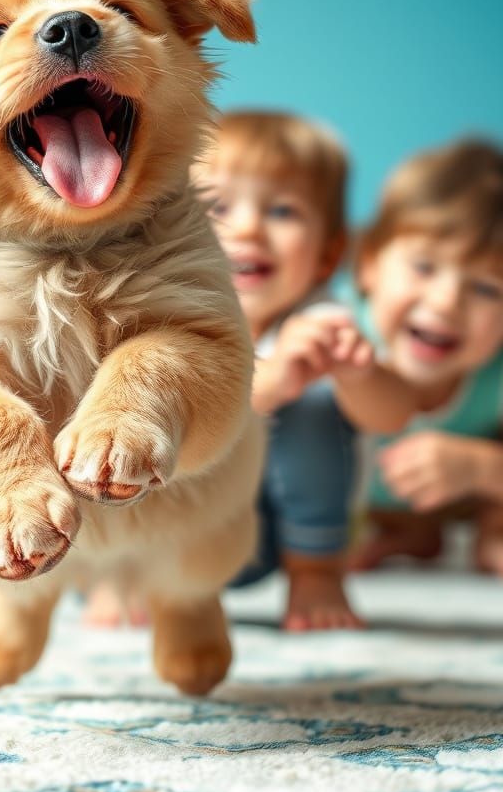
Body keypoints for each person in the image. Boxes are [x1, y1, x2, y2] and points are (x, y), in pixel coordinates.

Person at [85, 110, 413, 631]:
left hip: (272, 534)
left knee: (315, 403)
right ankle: (121, 576)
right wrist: (269, 380)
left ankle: (318, 573)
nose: (248, 228)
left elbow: (395, 413)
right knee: (119, 418)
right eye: (216, 206)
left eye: (283, 211)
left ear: (329, 255)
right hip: (170, 534)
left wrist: (360, 373)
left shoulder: (318, 320)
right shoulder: (156, 313)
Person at [349, 138, 503, 578]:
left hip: (452, 506)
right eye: (424, 267)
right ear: (369, 265)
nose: (444, 303)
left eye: (486, 289)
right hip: (341, 506)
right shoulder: (336, 328)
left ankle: (496, 531)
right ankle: (398, 534)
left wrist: (478, 467)